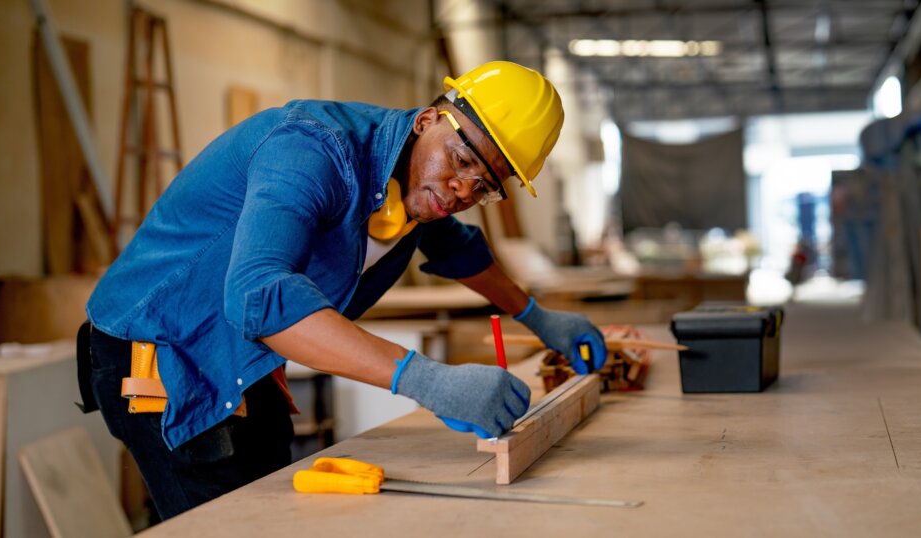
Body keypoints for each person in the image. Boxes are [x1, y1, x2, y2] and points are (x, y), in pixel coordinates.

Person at [78, 61, 607, 520]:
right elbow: (260, 297)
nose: (464, 189)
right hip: (160, 352)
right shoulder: (311, 150)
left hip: (243, 358)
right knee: (230, 521)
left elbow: (458, 249)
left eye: (486, 186)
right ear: (428, 119)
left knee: (277, 510)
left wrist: (537, 317)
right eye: (464, 161)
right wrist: (423, 379)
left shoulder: (417, 183)